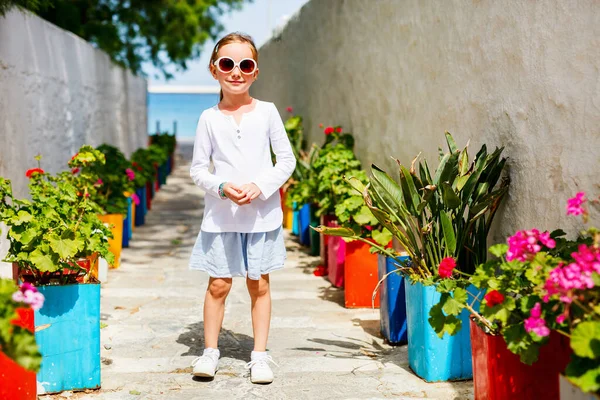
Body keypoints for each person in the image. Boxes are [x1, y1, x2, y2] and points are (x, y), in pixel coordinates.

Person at [188, 32, 296, 384]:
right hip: (220, 218)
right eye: (228, 64)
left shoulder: (267, 112)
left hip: (261, 216)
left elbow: (286, 160)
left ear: (255, 71)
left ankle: (259, 356)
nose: (236, 71)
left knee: (259, 284)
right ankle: (210, 352)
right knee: (218, 284)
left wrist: (260, 186)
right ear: (214, 69)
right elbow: (198, 168)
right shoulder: (208, 118)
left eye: (245, 64)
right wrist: (221, 187)